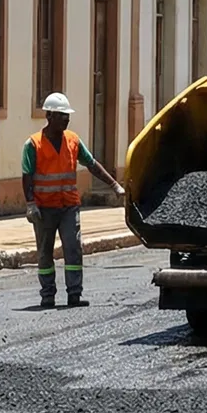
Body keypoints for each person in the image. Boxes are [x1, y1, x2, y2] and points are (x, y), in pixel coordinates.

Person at [23, 93, 124, 307]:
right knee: (44, 252)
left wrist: (114, 185)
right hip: (44, 208)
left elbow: (92, 164)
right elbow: (27, 176)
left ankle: (74, 294)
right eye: (62, 116)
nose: (66, 119)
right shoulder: (33, 145)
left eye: (67, 116)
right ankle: (47, 295)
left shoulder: (73, 141)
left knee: (73, 248)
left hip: (68, 206)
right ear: (49, 116)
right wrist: (30, 204)